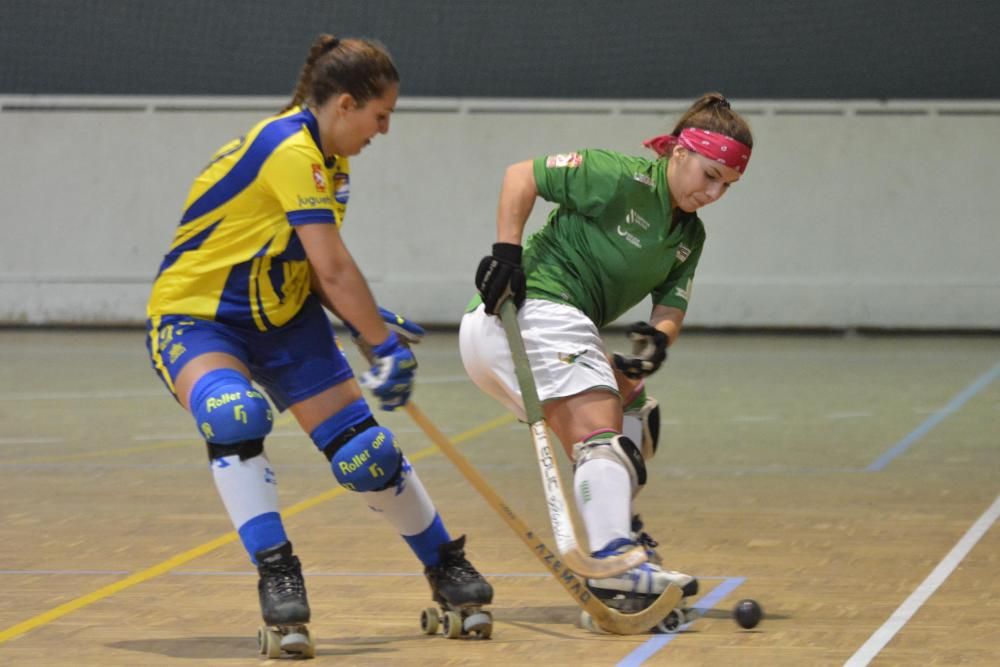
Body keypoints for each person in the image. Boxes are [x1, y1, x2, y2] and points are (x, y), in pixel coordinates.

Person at [145, 34, 492, 652]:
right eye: (380, 115)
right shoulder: (288, 149)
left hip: (286, 318)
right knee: (234, 417)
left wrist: (365, 321)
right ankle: (278, 572)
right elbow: (334, 267)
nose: (383, 130)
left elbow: (312, 268)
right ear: (345, 104)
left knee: (369, 455)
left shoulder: (333, 163)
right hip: (199, 318)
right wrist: (380, 344)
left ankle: (445, 564)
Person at [460, 92, 752, 614]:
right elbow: (521, 175)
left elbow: (671, 305)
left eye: (727, 186)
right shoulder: (618, 176)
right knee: (602, 432)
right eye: (710, 175)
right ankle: (616, 562)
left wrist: (656, 342)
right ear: (679, 152)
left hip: (546, 333)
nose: (714, 193)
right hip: (531, 311)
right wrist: (507, 252)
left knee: (638, 410)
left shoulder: (689, 236)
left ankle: (618, 530)